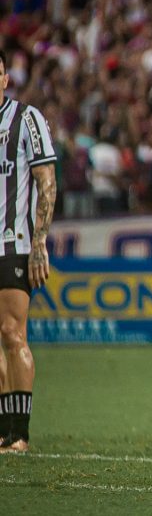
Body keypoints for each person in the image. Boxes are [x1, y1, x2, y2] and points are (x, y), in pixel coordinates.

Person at [0, 49, 58, 453]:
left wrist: (39, 243)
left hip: (12, 243)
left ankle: (18, 433)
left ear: (5, 79)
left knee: (10, 331)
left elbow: (46, 180)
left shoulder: (26, 119)